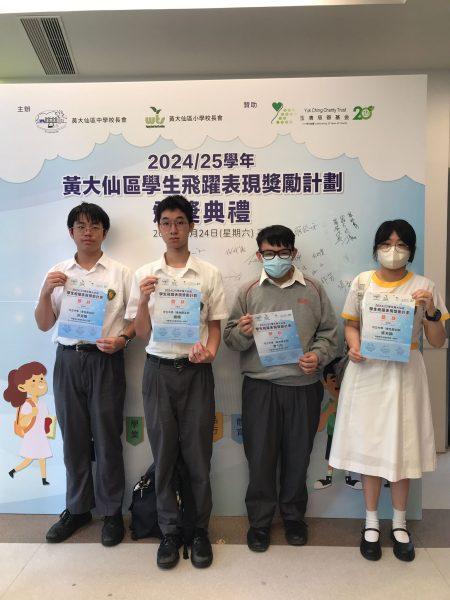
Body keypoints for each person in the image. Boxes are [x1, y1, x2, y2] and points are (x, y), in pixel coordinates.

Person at [329, 219, 449, 562]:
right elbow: (351, 325)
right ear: (376, 248)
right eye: (386, 243)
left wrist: (431, 311)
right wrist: (354, 346)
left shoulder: (424, 286)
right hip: (367, 371)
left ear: (411, 250)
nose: (393, 250)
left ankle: (399, 523)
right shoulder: (362, 282)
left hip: (404, 373)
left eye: (401, 244)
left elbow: (437, 340)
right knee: (369, 444)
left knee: (402, 446)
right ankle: (370, 522)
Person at [125, 195, 228, 570]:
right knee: (164, 454)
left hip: (196, 372)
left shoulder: (208, 273)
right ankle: (169, 531)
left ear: (191, 226)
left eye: (180, 222)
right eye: (166, 222)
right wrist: (143, 300)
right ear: (158, 228)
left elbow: (214, 328)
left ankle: (198, 530)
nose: (173, 229)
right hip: (158, 372)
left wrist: (210, 352)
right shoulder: (146, 274)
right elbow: (141, 334)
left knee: (199, 456)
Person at [223, 224, 338, 552]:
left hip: (303, 386)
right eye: (269, 253)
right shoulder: (248, 291)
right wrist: (243, 332)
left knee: (298, 457)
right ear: (259, 255)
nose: (276, 258)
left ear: (293, 253)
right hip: (260, 388)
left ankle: (293, 518)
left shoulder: (313, 289)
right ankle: (260, 522)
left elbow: (331, 333)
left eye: (282, 252)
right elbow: (230, 339)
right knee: (260, 458)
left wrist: (318, 356)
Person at [35, 202, 134, 547]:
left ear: (104, 232)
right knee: (73, 437)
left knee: (107, 437)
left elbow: (136, 320)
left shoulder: (121, 273)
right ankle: (77, 509)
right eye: (81, 226)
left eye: (94, 227)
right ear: (71, 232)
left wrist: (123, 339)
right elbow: (44, 323)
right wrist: (46, 292)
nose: (87, 233)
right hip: (68, 361)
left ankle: (111, 512)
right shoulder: (58, 272)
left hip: (105, 360)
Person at [313, 357, 362, 491]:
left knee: (347, 456)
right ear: (325, 383)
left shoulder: (353, 404)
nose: (338, 385)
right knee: (331, 457)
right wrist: (330, 410)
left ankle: (348, 478)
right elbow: (320, 426)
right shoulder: (330, 405)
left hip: (348, 436)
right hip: (333, 435)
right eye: (334, 380)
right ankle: (328, 478)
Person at [5, 361, 53, 485]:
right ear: (22, 387)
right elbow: (22, 422)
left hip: (41, 436)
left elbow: (46, 421)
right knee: (29, 459)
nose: (40, 383)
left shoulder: (42, 404)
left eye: (41, 379)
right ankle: (13, 471)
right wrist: (32, 414)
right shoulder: (27, 404)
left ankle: (44, 479)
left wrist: (50, 425)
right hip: (32, 437)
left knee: (42, 458)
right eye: (34, 381)